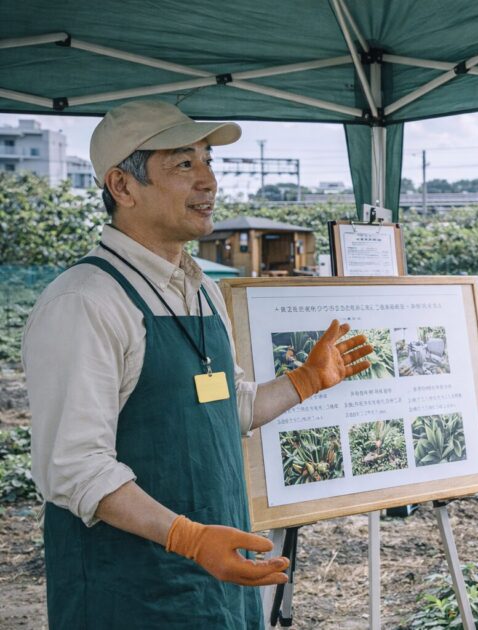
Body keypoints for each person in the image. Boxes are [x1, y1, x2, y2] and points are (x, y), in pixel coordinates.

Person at [22, 100, 373, 629]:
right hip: (131, 592)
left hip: (218, 576)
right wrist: (188, 538)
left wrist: (305, 381)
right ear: (122, 186)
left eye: (209, 161)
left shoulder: (202, 290)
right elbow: (75, 468)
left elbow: (223, 407)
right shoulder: (85, 302)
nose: (208, 182)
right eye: (184, 164)